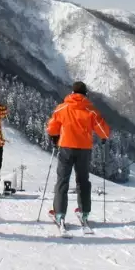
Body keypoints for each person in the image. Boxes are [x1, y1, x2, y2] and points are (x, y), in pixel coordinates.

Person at [46, 81, 111, 228]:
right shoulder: (90, 110)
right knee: (83, 180)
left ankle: (60, 214)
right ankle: (84, 212)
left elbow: (51, 127)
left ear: (72, 93)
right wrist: (103, 138)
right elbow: (103, 130)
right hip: (84, 149)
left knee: (63, 180)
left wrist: (55, 136)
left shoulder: (62, 108)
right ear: (85, 94)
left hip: (66, 147)